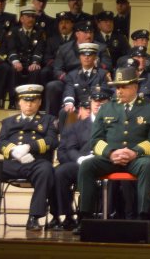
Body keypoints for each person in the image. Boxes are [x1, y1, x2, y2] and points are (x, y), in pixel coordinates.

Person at [74, 65, 150, 232]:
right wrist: (111, 153)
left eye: (124, 86)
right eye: (117, 87)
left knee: (148, 165)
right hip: (110, 158)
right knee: (87, 166)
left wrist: (135, 152)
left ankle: (143, 218)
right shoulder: (106, 108)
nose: (119, 91)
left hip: (137, 158)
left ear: (135, 87)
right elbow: (95, 140)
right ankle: (84, 218)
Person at [0, 84, 58, 230]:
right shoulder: (8, 122)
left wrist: (29, 147)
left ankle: (34, 217)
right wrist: (14, 151)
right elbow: (0, 143)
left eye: (33, 101)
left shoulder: (48, 120)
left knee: (46, 170)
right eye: (25, 101)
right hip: (13, 163)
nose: (29, 104)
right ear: (19, 102)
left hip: (36, 163)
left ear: (39, 102)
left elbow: (52, 141)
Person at [53, 89, 107, 231]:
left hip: (106, 163)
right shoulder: (77, 126)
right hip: (82, 162)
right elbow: (70, 148)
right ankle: (68, 215)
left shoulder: (115, 123)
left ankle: (89, 217)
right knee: (61, 172)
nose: (97, 104)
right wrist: (80, 159)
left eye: (102, 102)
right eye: (95, 101)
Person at [8, 8, 48, 88]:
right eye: (28, 17)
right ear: (21, 19)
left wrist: (35, 62)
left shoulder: (40, 32)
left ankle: (32, 97)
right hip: (18, 61)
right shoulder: (14, 31)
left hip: (31, 62)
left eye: (33, 17)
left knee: (36, 70)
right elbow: (11, 49)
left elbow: (39, 49)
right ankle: (14, 98)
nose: (31, 19)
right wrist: (16, 62)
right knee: (13, 70)